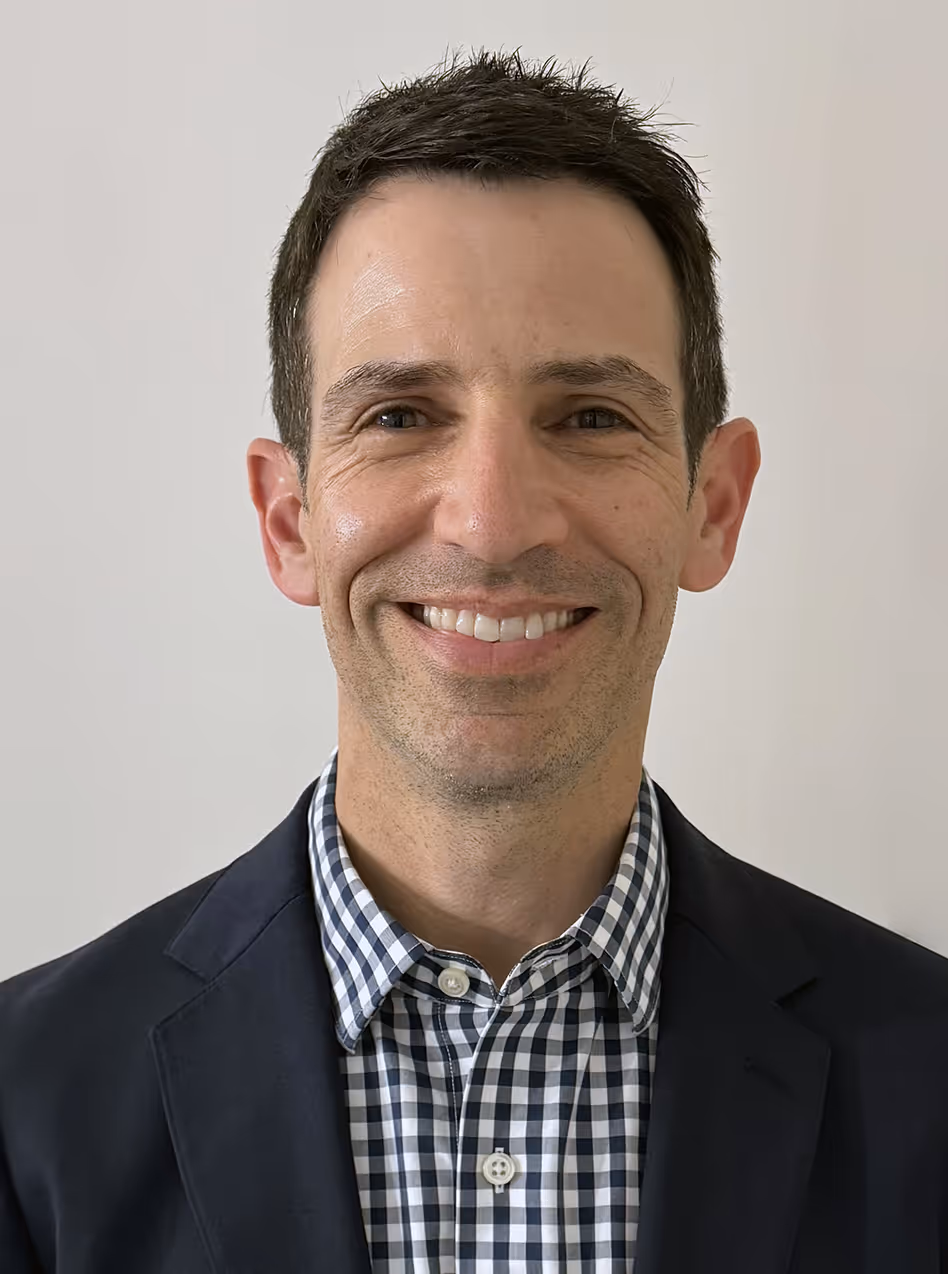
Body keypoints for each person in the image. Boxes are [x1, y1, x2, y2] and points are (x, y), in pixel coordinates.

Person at [1, 49, 946, 1274]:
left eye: (590, 416)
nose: (494, 523)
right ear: (289, 519)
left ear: (713, 505)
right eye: (400, 415)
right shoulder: (24, 1106)